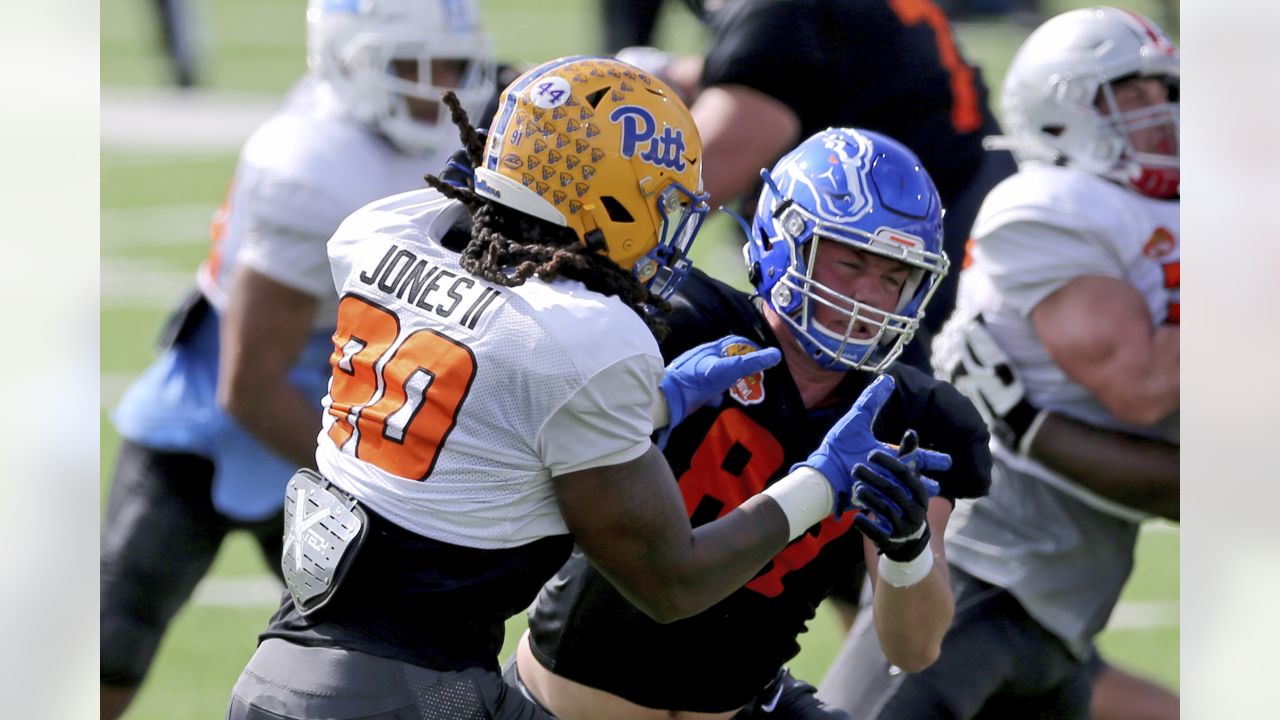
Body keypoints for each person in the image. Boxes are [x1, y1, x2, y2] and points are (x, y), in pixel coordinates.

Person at [225, 56, 949, 720]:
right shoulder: (584, 334)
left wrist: (663, 403)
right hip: (409, 693)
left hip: (290, 668)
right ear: (609, 198)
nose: (667, 231)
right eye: (659, 203)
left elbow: (492, 421)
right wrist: (820, 483)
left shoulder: (387, 231)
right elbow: (674, 583)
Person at [498, 127, 990, 720]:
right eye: (850, 262)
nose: (870, 297)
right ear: (784, 242)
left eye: (893, 277)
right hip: (561, 704)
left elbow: (914, 649)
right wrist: (653, 402)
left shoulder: (911, 413)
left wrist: (907, 550)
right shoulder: (678, 327)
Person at [99, 1, 497, 717]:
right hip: (238, 418)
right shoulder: (314, 162)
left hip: (353, 400)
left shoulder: (456, 125)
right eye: (412, 66)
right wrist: (383, 482)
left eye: (451, 65)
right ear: (350, 61)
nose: (440, 86)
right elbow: (249, 385)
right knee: (107, 648)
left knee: (410, 663)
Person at [815, 7, 1180, 718]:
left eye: (1166, 92)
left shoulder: (1170, 208)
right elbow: (1142, 386)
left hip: (1067, 591)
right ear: (1060, 112)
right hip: (983, 569)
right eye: (1133, 92)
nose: (1160, 110)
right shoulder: (1045, 206)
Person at [624, 0, 1018, 371]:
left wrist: (581, 239)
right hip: (968, 201)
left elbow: (688, 183)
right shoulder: (795, 20)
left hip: (905, 258)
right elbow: (799, 64)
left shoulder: (781, 14)